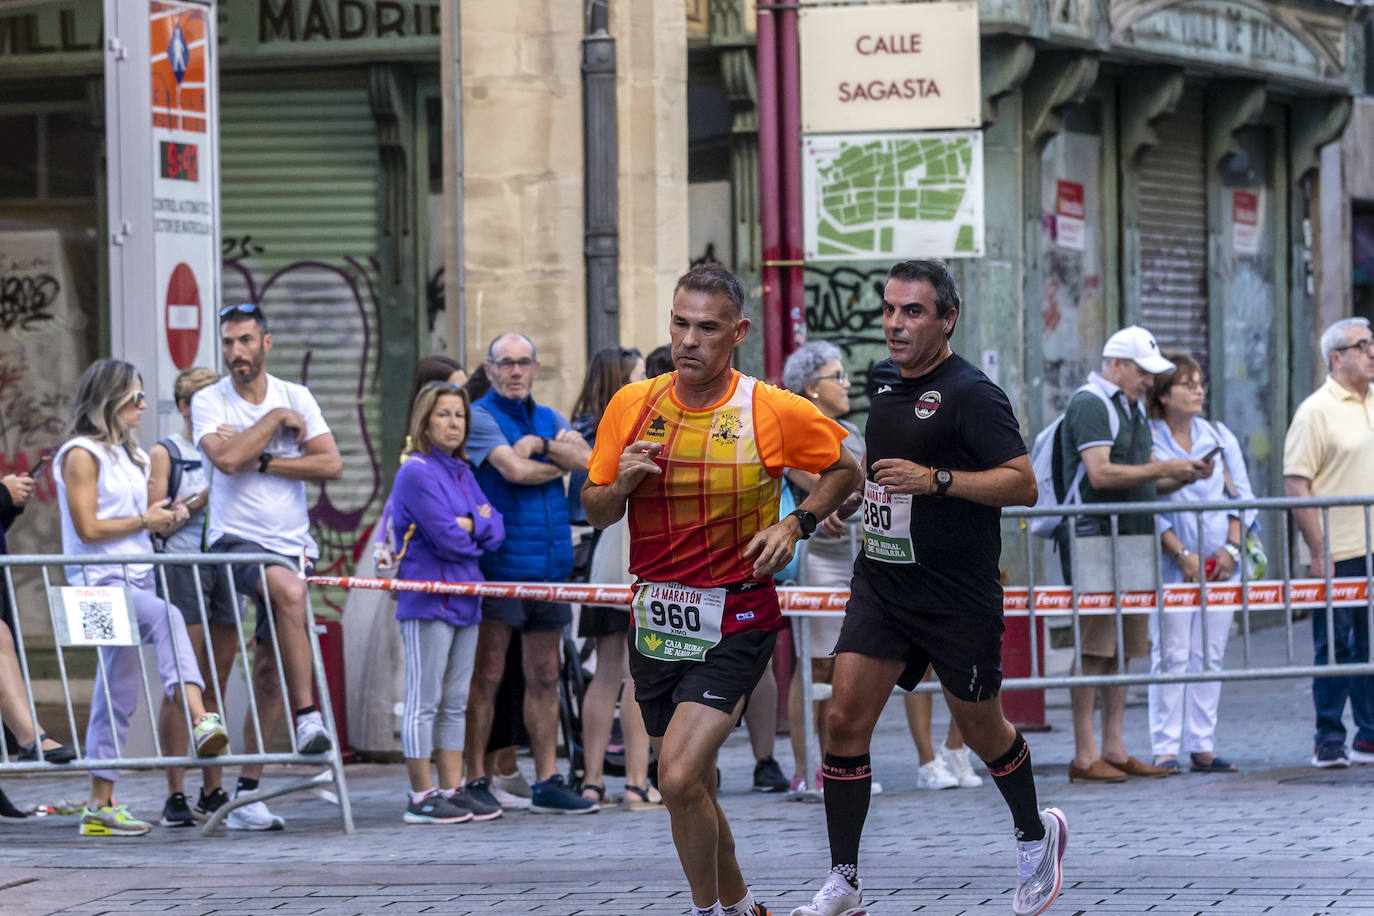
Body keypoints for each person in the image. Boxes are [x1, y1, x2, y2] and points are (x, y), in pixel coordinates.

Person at [584, 263, 862, 916]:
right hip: (656, 619)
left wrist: (798, 523)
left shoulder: (769, 408)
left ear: (735, 332)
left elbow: (845, 468)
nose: (688, 340)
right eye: (680, 324)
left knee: (675, 776)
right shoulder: (634, 405)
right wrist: (620, 484)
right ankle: (741, 907)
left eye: (706, 328)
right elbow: (597, 509)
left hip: (737, 616)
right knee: (697, 784)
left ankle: (707, 912)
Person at [792, 260, 1061, 916]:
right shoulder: (882, 381)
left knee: (980, 730)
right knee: (844, 719)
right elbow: (882, 477)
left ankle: (1036, 835)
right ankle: (844, 881)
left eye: (912, 312)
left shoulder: (974, 394)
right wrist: (853, 502)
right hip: (883, 582)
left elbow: (1022, 484)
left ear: (947, 318)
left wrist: (937, 480)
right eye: (888, 309)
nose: (894, 324)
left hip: (956, 594)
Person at [56, 359, 229, 836]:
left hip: (136, 579)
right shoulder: (80, 454)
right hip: (96, 585)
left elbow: (137, 521)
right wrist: (145, 522)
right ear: (109, 400)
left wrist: (166, 517)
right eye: (134, 396)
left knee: (119, 692)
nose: (141, 405)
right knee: (169, 619)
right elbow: (89, 528)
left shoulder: (132, 456)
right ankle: (201, 718)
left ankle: (99, 803)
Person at [192, 302, 343, 830]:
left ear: (266, 343)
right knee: (284, 595)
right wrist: (275, 424)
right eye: (229, 342)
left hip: (291, 542)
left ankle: (248, 793)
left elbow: (331, 463)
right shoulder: (210, 399)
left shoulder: (296, 393)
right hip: (234, 541)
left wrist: (261, 455)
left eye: (246, 341)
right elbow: (225, 460)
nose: (236, 352)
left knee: (268, 671)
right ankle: (309, 720)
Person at [1056, 326, 1208, 783]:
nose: (1149, 381)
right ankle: (1085, 755)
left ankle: (1114, 747)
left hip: (1132, 538)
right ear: (1117, 364)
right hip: (1095, 538)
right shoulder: (1090, 403)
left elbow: (1140, 481)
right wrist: (1167, 467)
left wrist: (1185, 476)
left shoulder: (1133, 407)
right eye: (1143, 372)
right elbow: (1100, 474)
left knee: (1123, 648)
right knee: (1094, 646)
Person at [461, 332, 596, 815]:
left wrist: (539, 445)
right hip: (500, 566)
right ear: (491, 368)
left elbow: (588, 461)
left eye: (523, 363)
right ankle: (474, 776)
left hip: (551, 564)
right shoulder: (479, 416)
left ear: (536, 368)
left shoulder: (548, 419)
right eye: (506, 363)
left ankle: (546, 779)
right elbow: (513, 471)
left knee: (543, 675)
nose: (515, 372)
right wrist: (551, 462)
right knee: (488, 675)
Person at [390, 381, 505, 823]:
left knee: (455, 699)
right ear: (425, 420)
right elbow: (450, 538)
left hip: (466, 598)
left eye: (459, 414)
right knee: (425, 699)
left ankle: (451, 788)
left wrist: (472, 524)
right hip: (428, 599)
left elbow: (496, 529)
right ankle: (421, 795)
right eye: (443, 414)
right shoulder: (415, 471)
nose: (453, 422)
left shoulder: (463, 472)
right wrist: (474, 524)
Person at [1146, 353, 1255, 774]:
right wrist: (1180, 553)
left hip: (1220, 565)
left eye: (1200, 383)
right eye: (1187, 383)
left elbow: (1243, 496)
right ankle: (1165, 747)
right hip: (1174, 564)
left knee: (1209, 653)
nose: (1198, 391)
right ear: (1164, 393)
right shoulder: (1151, 440)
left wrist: (1231, 549)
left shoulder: (1219, 435)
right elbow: (1148, 504)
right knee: (1172, 652)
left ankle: (1202, 745)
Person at [567, 347, 664, 810]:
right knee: (634, 675)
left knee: (607, 673)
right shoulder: (667, 421)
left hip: (608, 551)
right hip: (641, 551)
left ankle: (591, 781)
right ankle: (635, 783)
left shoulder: (621, 417)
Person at [150, 367, 241, 827]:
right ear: (186, 406)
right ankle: (175, 791)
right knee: (184, 680)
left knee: (217, 678)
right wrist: (200, 500)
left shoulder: (229, 445)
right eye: (204, 401)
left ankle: (214, 787)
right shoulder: (167, 452)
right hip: (183, 564)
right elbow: (156, 520)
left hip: (222, 560)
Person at [1284, 316, 1374, 768]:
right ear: (1336, 357)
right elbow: (1296, 484)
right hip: (1339, 549)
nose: (1372, 352)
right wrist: (1319, 551)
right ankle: (1329, 737)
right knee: (1336, 646)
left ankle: (1370, 736)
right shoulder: (1315, 411)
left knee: (1370, 646)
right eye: (1363, 345)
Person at [778, 341, 866, 795]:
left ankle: (838, 761)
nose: (847, 384)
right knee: (812, 666)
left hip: (856, 558)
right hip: (817, 559)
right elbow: (806, 476)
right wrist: (828, 497)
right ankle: (803, 764)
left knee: (844, 665)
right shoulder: (797, 430)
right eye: (838, 376)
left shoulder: (852, 432)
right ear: (811, 387)